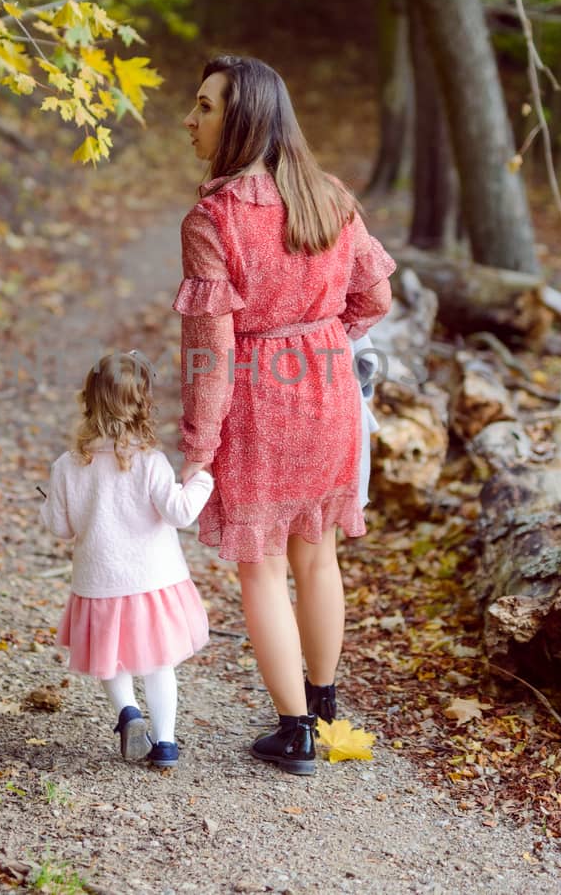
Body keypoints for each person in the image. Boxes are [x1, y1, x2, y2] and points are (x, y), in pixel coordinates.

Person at [174, 55, 395, 776]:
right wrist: (327, 339)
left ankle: (295, 731)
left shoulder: (214, 218)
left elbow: (209, 348)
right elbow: (376, 298)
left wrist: (198, 446)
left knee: (262, 566)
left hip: (258, 395)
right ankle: (325, 711)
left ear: (242, 120)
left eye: (205, 107)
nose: (191, 119)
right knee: (318, 552)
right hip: (330, 384)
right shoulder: (331, 197)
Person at [40, 351, 214, 770]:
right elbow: (180, 512)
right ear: (143, 405)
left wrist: (47, 505)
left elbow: (60, 528)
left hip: (99, 583)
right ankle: (166, 743)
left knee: (110, 657)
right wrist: (202, 479)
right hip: (152, 581)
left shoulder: (67, 466)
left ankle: (128, 714)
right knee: (158, 664)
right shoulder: (149, 462)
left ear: (89, 399)